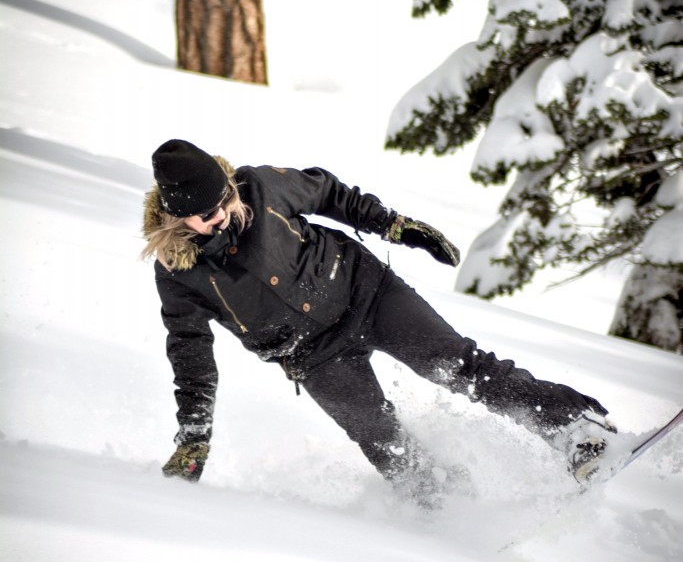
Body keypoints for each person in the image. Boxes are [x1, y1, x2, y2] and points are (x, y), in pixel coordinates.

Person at [142, 139, 616, 508]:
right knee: (378, 435)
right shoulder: (179, 274)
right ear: (176, 217)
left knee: (458, 364)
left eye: (223, 200)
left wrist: (394, 225)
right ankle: (441, 505)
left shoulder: (260, 188)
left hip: (365, 293)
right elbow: (190, 354)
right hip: (310, 354)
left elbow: (328, 192)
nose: (221, 215)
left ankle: (578, 430)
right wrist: (195, 434)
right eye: (205, 215)